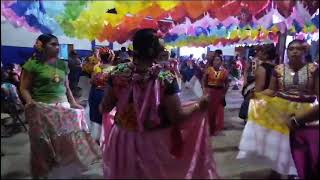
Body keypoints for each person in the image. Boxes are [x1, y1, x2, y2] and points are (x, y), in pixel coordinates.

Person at [100, 28, 218, 179]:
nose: (164, 49)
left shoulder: (117, 73)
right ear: (153, 51)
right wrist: (199, 105)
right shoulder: (166, 78)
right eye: (161, 47)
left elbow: (105, 107)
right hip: (153, 142)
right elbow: (177, 117)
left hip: (122, 139)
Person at [20, 34, 101, 178]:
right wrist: (29, 101)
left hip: (62, 107)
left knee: (65, 143)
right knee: (44, 145)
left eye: (58, 44)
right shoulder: (32, 64)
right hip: (42, 109)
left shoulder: (63, 64)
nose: (57, 47)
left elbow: (67, 86)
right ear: (42, 46)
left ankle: (63, 173)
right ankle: (45, 173)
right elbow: (24, 88)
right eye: (53, 44)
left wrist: (73, 103)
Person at [238, 39, 319, 179]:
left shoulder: (314, 69)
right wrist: (256, 95)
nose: (294, 51)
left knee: (302, 147)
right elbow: (271, 90)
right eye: (291, 48)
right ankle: (283, 172)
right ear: (287, 51)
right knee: (281, 146)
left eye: (298, 49)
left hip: (305, 111)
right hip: (280, 109)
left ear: (304, 51)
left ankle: (298, 172)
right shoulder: (279, 69)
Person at [88, 47, 115, 143]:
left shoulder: (96, 67)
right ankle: (108, 138)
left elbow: (91, 81)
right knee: (109, 117)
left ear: (100, 56)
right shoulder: (115, 70)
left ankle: (97, 140)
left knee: (97, 117)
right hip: (108, 94)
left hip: (96, 94)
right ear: (112, 57)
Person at [202, 54, 229, 135]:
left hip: (219, 93)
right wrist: (204, 90)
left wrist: (224, 94)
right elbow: (204, 80)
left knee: (218, 112)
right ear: (212, 61)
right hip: (209, 92)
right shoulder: (208, 70)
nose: (216, 62)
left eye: (218, 60)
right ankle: (208, 129)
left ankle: (215, 129)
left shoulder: (224, 71)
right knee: (209, 111)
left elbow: (227, 83)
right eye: (215, 60)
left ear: (221, 62)